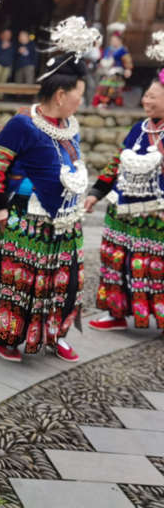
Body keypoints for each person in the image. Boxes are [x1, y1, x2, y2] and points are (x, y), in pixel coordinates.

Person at [0, 16, 99, 364]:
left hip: (64, 221)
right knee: (20, 282)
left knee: (63, 282)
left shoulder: (71, 125)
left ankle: (55, 333)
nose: (80, 103)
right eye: (78, 96)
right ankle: (8, 336)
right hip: (26, 220)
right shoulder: (22, 123)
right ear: (60, 94)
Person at [85, 33, 164, 333]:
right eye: (145, 95)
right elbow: (116, 163)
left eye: (153, 98)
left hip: (156, 216)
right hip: (122, 212)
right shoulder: (138, 129)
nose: (145, 100)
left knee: (154, 268)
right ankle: (115, 313)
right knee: (117, 263)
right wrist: (96, 192)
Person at [93, 22, 133, 108]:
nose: (113, 42)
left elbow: (127, 61)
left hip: (117, 72)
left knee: (113, 88)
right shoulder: (108, 49)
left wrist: (128, 69)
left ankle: (111, 103)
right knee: (103, 86)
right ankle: (103, 102)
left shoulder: (122, 50)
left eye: (115, 40)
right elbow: (103, 57)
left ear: (119, 41)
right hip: (106, 70)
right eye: (112, 40)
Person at [0, 28, 15, 99]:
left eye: (9, 35)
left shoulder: (12, 44)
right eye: (6, 34)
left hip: (7, 65)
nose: (7, 36)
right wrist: (2, 47)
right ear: (2, 35)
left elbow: (13, 55)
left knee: (3, 81)